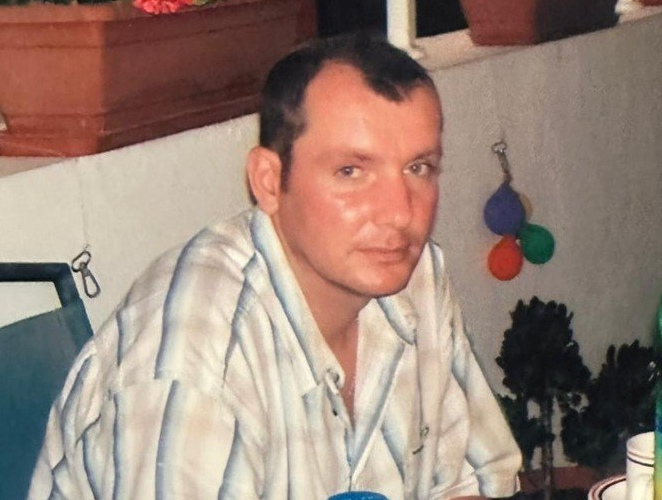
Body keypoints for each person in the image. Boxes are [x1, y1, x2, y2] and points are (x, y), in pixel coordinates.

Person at [27, 34, 521, 500]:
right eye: (351, 171)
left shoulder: (416, 278)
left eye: (418, 168)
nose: (398, 212)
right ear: (268, 182)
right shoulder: (194, 368)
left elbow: (474, 482)